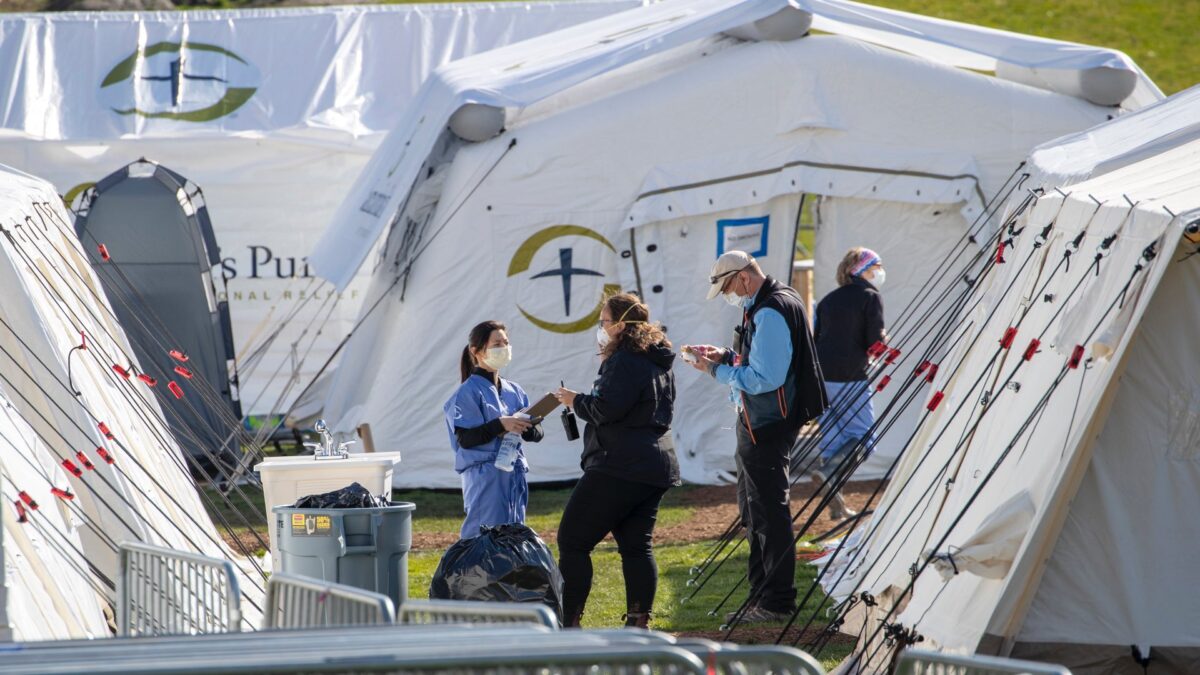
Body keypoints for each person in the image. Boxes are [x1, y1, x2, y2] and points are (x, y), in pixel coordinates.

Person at [686, 251, 827, 624]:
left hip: (766, 424)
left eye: (729, 287)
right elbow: (764, 364)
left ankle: (776, 602)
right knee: (756, 512)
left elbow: (767, 378)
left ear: (743, 278)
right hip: (762, 420)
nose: (730, 296)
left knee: (768, 513)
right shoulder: (777, 299)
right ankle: (762, 597)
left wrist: (715, 371)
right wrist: (730, 357)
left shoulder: (769, 310)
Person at [553, 293, 680, 629]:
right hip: (656, 462)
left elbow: (606, 409)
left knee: (572, 541)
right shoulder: (657, 359)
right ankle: (638, 623)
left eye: (605, 321)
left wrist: (575, 400)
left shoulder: (624, 359)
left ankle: (569, 622)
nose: (602, 328)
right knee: (637, 546)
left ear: (622, 324)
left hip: (621, 463)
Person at [443, 320, 543, 540]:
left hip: (513, 473)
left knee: (512, 538)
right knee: (482, 538)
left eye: (506, 342)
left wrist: (529, 429)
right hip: (485, 476)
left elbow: (536, 434)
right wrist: (501, 424)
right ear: (477, 351)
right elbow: (466, 439)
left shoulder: (514, 390)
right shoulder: (467, 393)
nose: (504, 348)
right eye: (497, 343)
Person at [811, 247, 887, 519]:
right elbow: (875, 343)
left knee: (833, 442)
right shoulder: (870, 296)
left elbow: (816, 337)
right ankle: (830, 473)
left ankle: (836, 506)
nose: (880, 271)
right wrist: (883, 344)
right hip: (850, 376)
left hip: (821, 376)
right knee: (863, 438)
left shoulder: (828, 300)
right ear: (862, 269)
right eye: (876, 266)